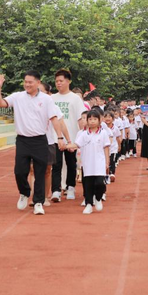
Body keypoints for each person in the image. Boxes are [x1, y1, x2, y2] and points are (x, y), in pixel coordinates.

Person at [0, 71, 65, 216]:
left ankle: (38, 202)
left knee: (40, 172)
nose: (27, 84)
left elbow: (54, 118)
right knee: (20, 171)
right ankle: (24, 192)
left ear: (38, 82)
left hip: (40, 140)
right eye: (25, 81)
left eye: (30, 82)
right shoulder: (17, 96)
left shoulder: (46, 99)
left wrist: (60, 137)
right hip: (22, 140)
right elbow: (0, 103)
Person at [51, 69, 87, 202]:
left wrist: (81, 137)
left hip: (71, 136)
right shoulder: (52, 98)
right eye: (56, 81)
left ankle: (70, 187)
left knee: (71, 163)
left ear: (68, 81)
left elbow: (80, 119)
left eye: (61, 81)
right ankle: (56, 190)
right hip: (55, 137)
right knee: (56, 164)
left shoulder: (75, 99)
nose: (58, 83)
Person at [66, 109, 110, 214]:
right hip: (87, 163)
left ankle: (98, 198)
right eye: (90, 119)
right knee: (88, 185)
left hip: (99, 162)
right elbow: (77, 145)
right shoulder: (84, 134)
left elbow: (106, 148)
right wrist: (66, 146)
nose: (92, 121)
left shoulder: (103, 133)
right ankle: (89, 204)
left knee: (100, 183)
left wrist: (107, 162)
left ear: (100, 121)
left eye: (95, 119)